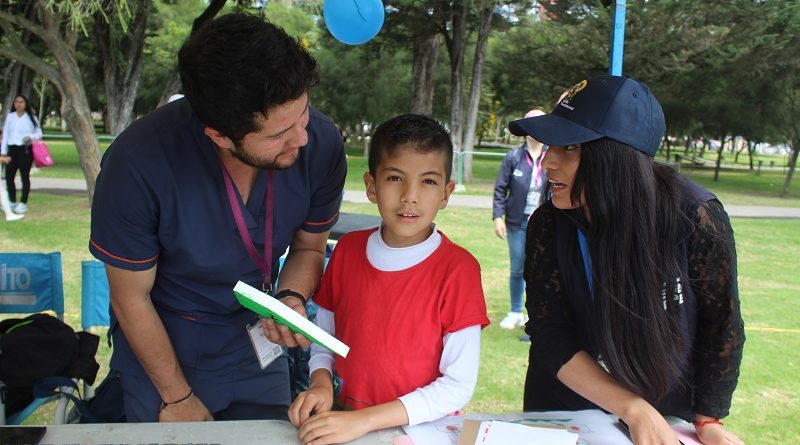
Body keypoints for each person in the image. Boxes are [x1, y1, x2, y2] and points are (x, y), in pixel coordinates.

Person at [89, 13, 346, 423]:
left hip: (257, 338)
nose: (302, 138)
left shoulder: (322, 143)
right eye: (279, 134)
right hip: (167, 342)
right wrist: (176, 398)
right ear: (219, 136)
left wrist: (290, 298)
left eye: (303, 115)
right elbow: (129, 298)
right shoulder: (137, 163)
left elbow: (309, 246)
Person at [509, 75, 745, 445]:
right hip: (566, 411)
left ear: (616, 157)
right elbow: (549, 332)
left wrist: (707, 419)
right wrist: (631, 408)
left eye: (569, 147)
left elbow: (721, 325)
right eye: (552, 144)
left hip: (663, 416)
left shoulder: (695, 217)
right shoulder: (549, 223)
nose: (549, 161)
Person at [288, 114, 490, 445]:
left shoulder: (459, 269)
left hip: (424, 430)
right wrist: (321, 383)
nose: (410, 195)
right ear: (371, 185)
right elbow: (325, 337)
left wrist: (364, 421)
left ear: (446, 193)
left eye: (428, 181)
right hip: (345, 419)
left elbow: (457, 386)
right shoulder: (348, 250)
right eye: (395, 178)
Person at [492, 109, 547, 332]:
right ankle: (515, 311)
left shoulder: (552, 155)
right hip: (516, 222)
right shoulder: (513, 157)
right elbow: (500, 190)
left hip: (543, 223)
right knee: (518, 268)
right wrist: (497, 217)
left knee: (539, 269)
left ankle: (535, 314)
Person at [1, 94, 42, 215]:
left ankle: (23, 203)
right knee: (9, 176)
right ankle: (12, 201)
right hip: (12, 149)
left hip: (25, 149)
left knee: (24, 177)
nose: (18, 104)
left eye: (21, 102)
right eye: (16, 102)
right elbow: (6, 135)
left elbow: (39, 133)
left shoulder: (31, 117)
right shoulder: (10, 117)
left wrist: (31, 137)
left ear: (25, 104)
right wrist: (3, 151)